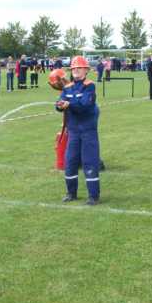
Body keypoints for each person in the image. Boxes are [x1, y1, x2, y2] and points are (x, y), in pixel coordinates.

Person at [55, 56, 101, 205]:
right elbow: (60, 102)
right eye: (74, 68)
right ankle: (71, 193)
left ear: (86, 70)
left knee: (90, 162)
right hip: (73, 131)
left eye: (79, 68)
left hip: (88, 131)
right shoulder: (67, 88)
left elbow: (84, 105)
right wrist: (59, 105)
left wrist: (69, 104)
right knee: (70, 162)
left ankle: (93, 196)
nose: (76, 70)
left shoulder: (90, 86)